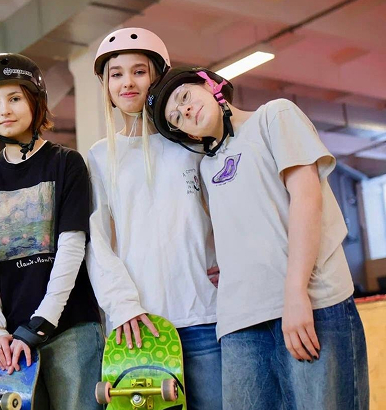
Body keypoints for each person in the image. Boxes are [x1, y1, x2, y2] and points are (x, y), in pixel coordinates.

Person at [147, 66, 369, 409]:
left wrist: (295, 291)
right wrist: (232, 263)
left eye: (185, 96)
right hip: (240, 320)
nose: (186, 110)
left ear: (209, 84)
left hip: (312, 302)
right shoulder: (206, 167)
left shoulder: (274, 116)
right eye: (176, 117)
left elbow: (307, 199)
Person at [0, 53, 103, 410]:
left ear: (35, 101)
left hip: (70, 329)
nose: (4, 110)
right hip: (10, 337)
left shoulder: (66, 163)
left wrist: (40, 324)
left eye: (15, 98)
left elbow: (72, 249)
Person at [86, 28, 222, 409]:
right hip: (139, 329)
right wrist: (123, 306)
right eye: (116, 74)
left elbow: (226, 208)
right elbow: (96, 243)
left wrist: (232, 260)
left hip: (205, 315)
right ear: (106, 85)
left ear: (159, 77)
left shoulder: (191, 142)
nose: (127, 82)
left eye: (139, 71)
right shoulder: (99, 157)